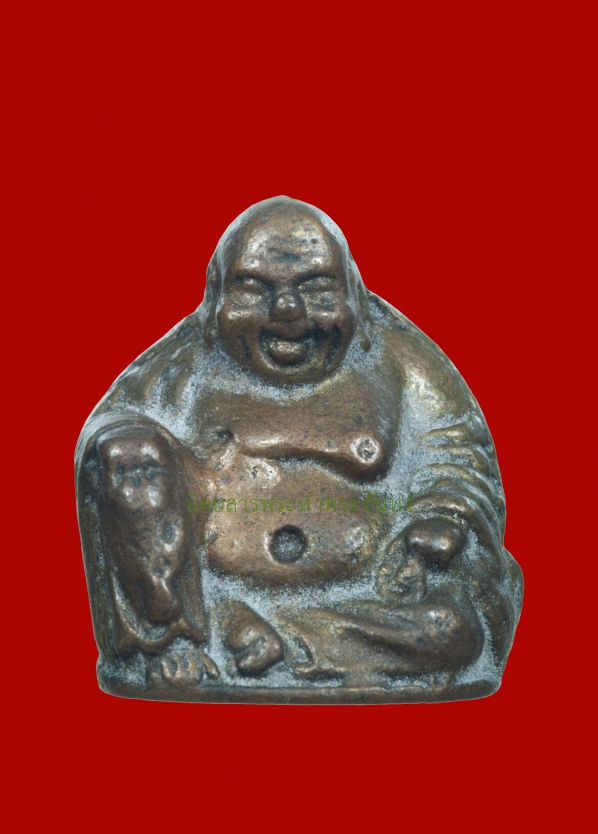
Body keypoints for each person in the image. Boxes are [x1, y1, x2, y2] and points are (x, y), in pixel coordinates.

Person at [76, 197, 522, 701]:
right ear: (217, 297)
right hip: (195, 589)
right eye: (254, 288)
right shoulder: (181, 368)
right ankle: (177, 635)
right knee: (127, 455)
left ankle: (254, 630)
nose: (286, 310)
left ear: (352, 294)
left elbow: (457, 456)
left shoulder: (401, 363)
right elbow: (112, 428)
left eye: (314, 288)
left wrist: (444, 518)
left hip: (374, 590)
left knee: (449, 632)